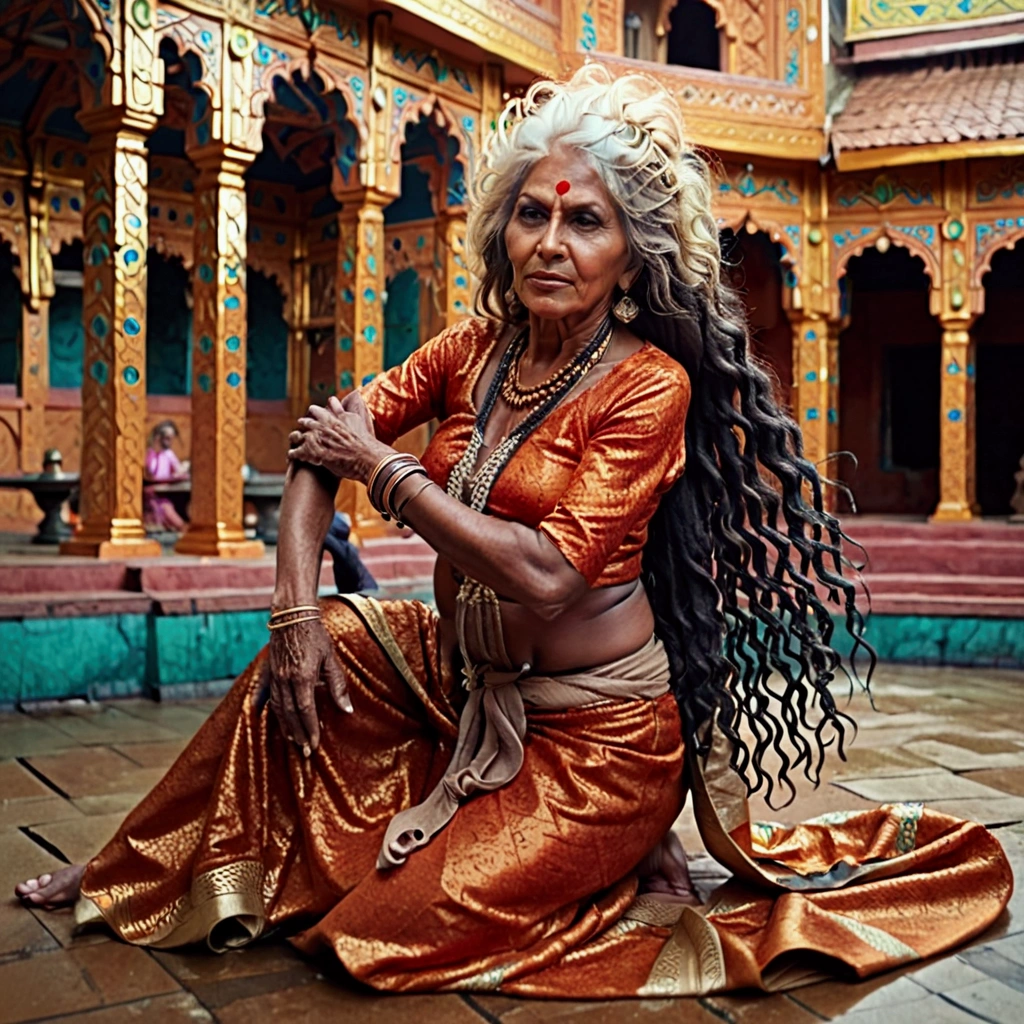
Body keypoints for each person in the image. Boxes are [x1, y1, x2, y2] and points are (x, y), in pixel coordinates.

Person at [17, 67, 1011, 997]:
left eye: (585, 221)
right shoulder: (472, 349)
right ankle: (130, 869)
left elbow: (548, 572)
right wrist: (294, 616)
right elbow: (325, 445)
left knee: (376, 939)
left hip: (595, 743)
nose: (551, 240)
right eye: (533, 213)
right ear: (502, 229)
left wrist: (388, 471)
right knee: (326, 645)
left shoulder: (645, 385)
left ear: (631, 256)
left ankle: (608, 871)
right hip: (460, 683)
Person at [143, 420, 190, 532]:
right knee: (166, 507)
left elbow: (179, 470)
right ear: (158, 438)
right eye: (167, 438)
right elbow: (150, 475)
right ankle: (183, 527)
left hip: (170, 491)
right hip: (154, 493)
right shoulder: (151, 454)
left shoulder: (168, 454)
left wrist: (182, 471)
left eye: (171, 439)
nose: (169, 442)